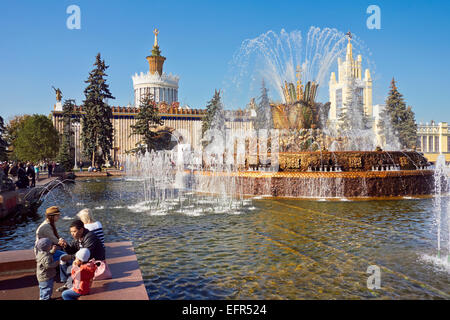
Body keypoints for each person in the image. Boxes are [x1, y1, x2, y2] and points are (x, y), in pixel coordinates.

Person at [57, 219, 105, 292]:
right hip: (85, 259)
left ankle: (71, 284)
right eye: (71, 232)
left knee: (70, 262)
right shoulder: (78, 237)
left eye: (74, 231)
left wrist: (70, 257)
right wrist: (65, 246)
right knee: (62, 259)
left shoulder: (90, 237)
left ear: (81, 230)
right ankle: (67, 283)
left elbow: (86, 253)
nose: (72, 234)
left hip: (94, 262)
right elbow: (72, 251)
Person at [35, 206, 71, 281]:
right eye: (57, 215)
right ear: (52, 216)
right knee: (65, 256)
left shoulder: (49, 223)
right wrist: (62, 242)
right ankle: (65, 277)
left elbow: (55, 238)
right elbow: (55, 240)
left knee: (64, 253)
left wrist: (60, 239)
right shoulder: (46, 227)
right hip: (45, 252)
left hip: (48, 249)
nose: (59, 217)